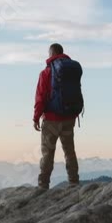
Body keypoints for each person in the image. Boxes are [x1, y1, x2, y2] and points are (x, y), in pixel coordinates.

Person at [33, 43, 83, 189]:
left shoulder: (46, 72)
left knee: (48, 152)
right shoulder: (71, 70)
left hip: (51, 120)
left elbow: (40, 97)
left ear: (51, 54)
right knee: (69, 150)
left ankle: (43, 184)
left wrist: (36, 117)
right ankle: (74, 182)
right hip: (69, 118)